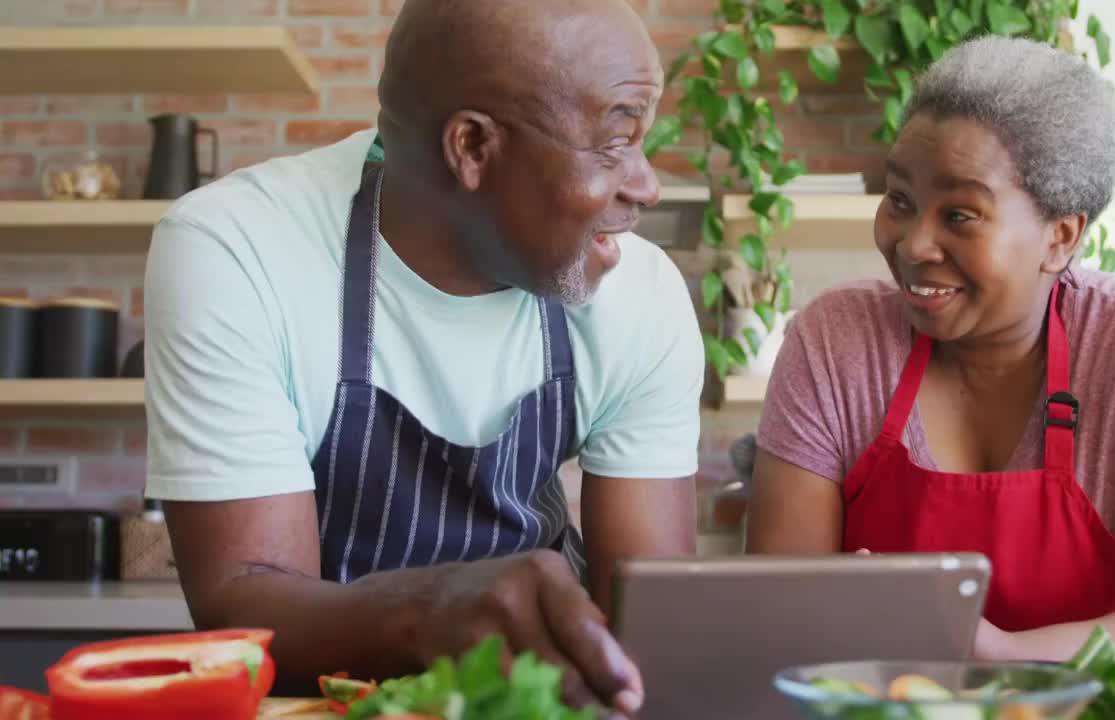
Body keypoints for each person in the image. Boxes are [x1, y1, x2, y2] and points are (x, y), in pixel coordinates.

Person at [142, 0, 701, 712]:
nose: (646, 184)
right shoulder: (240, 249)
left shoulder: (638, 293)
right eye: (614, 143)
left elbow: (651, 620)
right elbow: (240, 609)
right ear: (472, 146)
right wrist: (431, 613)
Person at [745, 36, 1115, 674]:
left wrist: (1006, 655)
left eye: (960, 215)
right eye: (901, 200)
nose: (912, 245)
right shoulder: (835, 342)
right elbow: (779, 610)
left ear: (1061, 236)